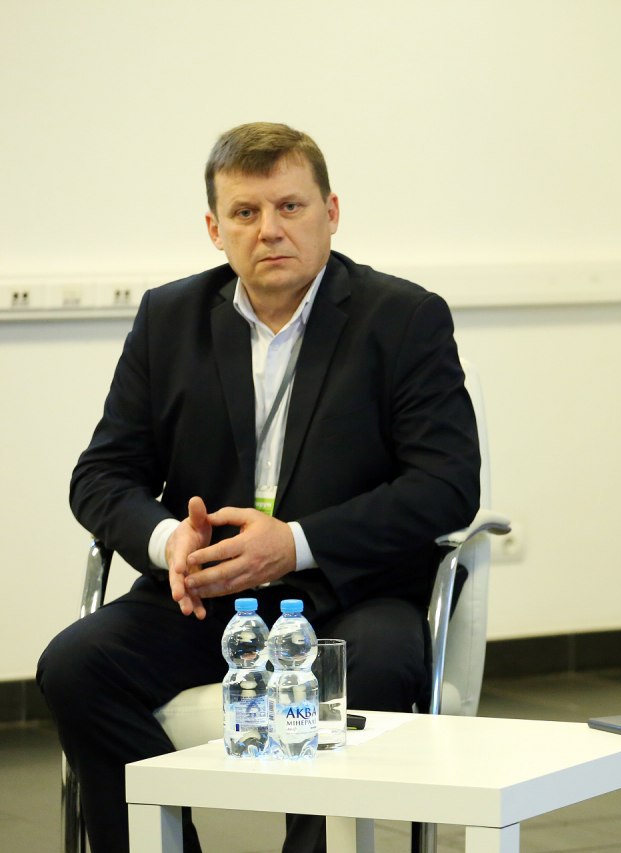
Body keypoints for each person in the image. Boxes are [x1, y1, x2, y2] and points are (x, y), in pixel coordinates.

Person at [37, 122, 481, 852]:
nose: (269, 229)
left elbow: (446, 484)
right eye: (245, 212)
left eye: (290, 207)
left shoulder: (403, 318)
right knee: (76, 667)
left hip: (352, 593)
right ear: (216, 229)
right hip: (210, 593)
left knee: (368, 668)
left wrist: (296, 543)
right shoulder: (169, 319)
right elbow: (102, 473)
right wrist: (168, 540)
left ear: (330, 213)